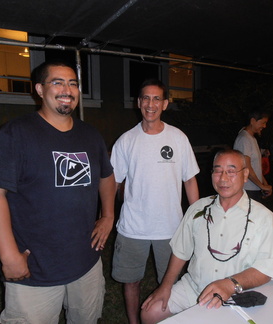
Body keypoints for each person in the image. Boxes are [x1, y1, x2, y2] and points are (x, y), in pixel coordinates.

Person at [0, 60, 116, 323]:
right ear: (40, 90)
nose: (67, 89)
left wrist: (108, 215)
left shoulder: (90, 134)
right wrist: (9, 256)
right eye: (58, 82)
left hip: (86, 262)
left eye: (73, 83)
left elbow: (106, 177)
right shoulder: (15, 134)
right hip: (34, 269)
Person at [141, 149, 273, 324]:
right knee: (150, 313)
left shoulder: (265, 219)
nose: (223, 178)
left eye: (231, 171)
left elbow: (266, 269)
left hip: (237, 294)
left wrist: (230, 284)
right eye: (217, 170)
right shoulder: (198, 209)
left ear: (245, 175)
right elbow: (180, 251)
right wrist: (165, 286)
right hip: (193, 287)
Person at [110, 79, 200, 324]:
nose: (151, 104)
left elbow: (189, 181)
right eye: (146, 98)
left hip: (171, 228)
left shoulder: (178, 138)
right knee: (131, 282)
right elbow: (113, 183)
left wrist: (197, 219)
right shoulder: (126, 140)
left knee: (173, 283)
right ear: (139, 103)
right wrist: (105, 216)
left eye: (157, 98)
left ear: (165, 104)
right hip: (133, 228)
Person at [233, 108, 272, 203]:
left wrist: (264, 183)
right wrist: (261, 185)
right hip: (247, 190)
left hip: (254, 189)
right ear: (253, 121)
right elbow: (246, 167)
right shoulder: (244, 139)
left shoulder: (252, 138)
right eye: (263, 122)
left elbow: (255, 166)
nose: (264, 126)